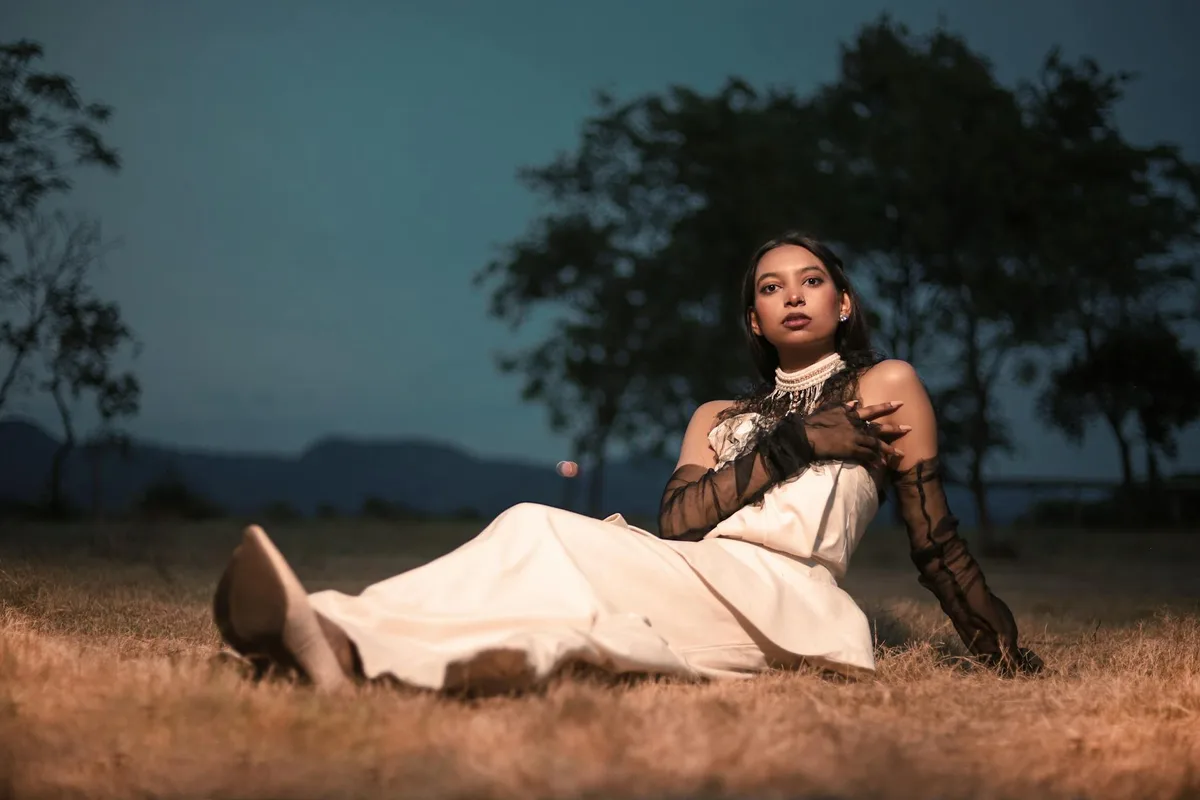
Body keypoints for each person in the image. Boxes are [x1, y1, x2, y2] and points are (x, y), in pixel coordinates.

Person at [212, 231, 1043, 693]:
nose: (792, 294)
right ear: (753, 320)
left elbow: (934, 539)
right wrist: (795, 443)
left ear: (844, 301)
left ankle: (330, 631)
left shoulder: (886, 385)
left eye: (812, 279)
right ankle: (337, 641)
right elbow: (678, 522)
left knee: (540, 533)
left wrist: (1002, 651)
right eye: (770, 287)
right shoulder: (717, 416)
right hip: (698, 570)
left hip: (786, 598)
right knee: (537, 552)